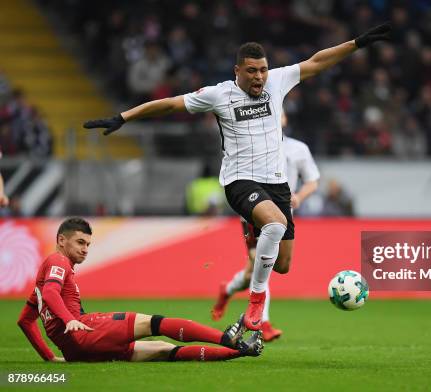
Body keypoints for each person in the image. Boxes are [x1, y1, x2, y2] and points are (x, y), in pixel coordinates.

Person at [83, 23, 391, 331]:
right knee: (275, 223)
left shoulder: (277, 82)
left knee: (282, 266)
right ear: (237, 71)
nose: (259, 77)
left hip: (277, 185)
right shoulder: (218, 95)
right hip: (240, 182)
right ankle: (256, 303)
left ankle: (242, 285)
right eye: (252, 71)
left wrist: (357, 43)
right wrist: (124, 117)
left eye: (263, 70)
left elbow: (317, 62)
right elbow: (170, 103)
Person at [17, 217, 263, 362]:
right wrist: (71, 320)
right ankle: (227, 339)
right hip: (85, 332)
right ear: (61, 240)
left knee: (163, 350)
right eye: (80, 242)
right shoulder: (57, 261)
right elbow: (51, 293)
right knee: (155, 323)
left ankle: (241, 351)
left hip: (75, 351)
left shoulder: (39, 284)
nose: (85, 249)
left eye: (88, 244)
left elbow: (25, 321)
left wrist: (50, 357)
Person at [211, 112, 320, 341]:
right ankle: (263, 323)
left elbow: (312, 180)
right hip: (254, 207)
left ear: (285, 120)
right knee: (260, 265)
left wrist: (299, 196)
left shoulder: (298, 148)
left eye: (280, 115)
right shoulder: (252, 142)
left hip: (283, 209)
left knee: (269, 267)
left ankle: (228, 289)